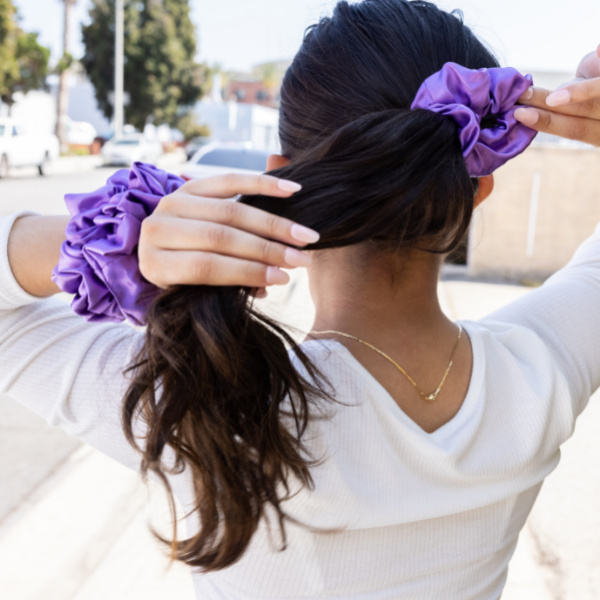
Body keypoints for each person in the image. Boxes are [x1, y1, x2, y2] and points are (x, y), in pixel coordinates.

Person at [1, 1, 600, 599]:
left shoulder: (205, 398)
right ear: (477, 193)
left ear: (279, 176)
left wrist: (126, 235)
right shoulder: (542, 372)